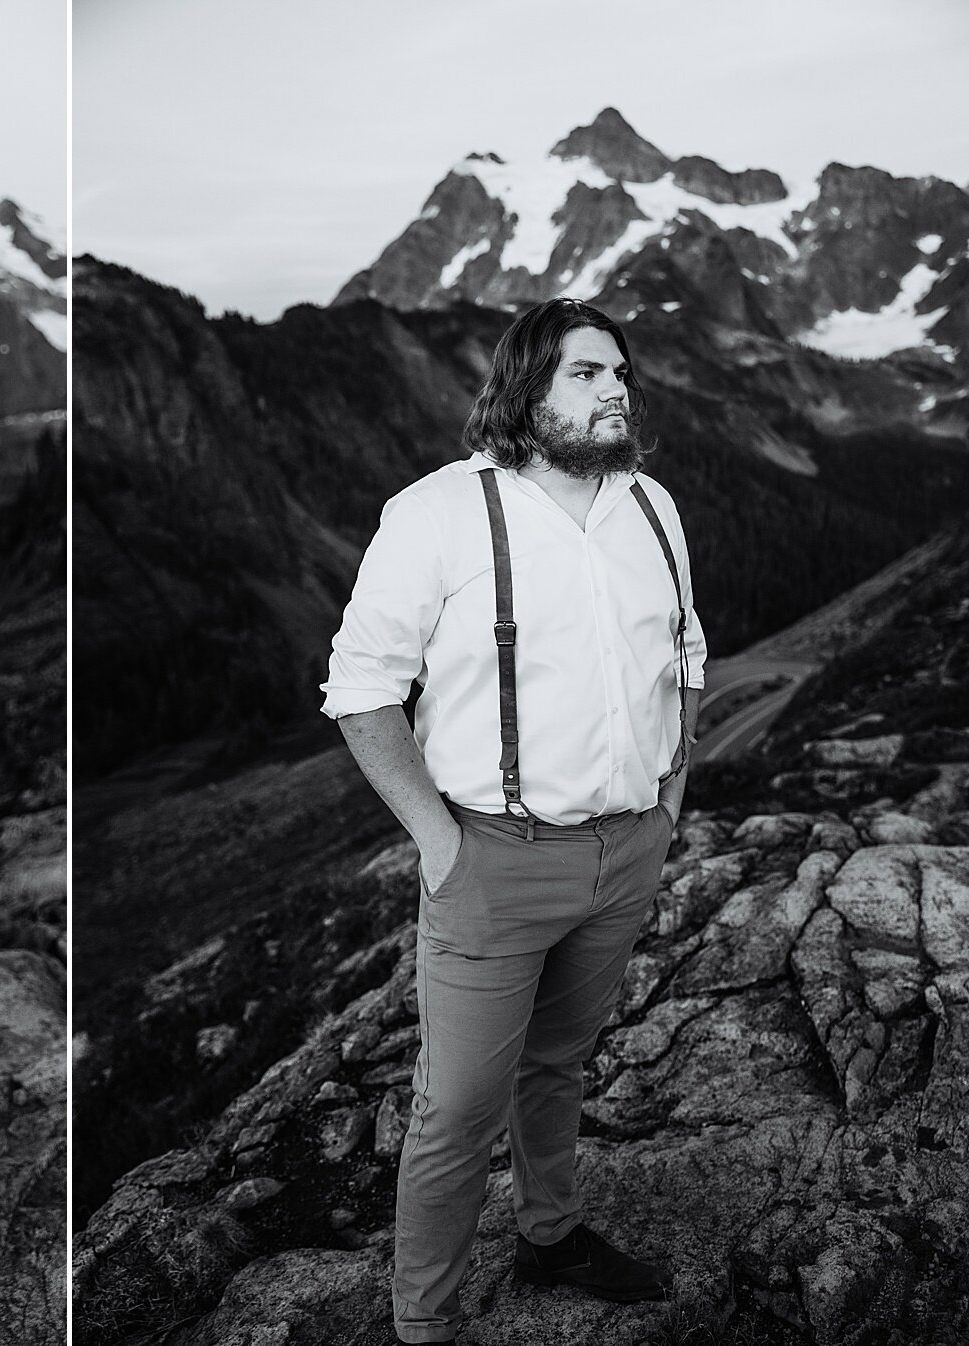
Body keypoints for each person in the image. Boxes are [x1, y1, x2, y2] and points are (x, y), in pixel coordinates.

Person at [320, 298, 706, 1343]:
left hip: (626, 852)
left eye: (619, 372)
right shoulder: (440, 511)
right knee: (454, 1110)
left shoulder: (652, 506)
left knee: (559, 1061)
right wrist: (441, 842)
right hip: (493, 858)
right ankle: (425, 1318)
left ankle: (551, 1230)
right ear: (528, 387)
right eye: (587, 373)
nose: (615, 389)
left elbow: (685, 659)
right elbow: (360, 691)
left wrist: (668, 800)